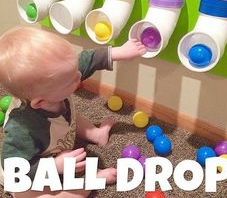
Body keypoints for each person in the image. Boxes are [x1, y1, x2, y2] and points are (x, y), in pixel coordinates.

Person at [0, 26, 146, 198]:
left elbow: (85, 60)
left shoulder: (61, 77)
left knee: (70, 118)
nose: (79, 77)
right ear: (40, 102)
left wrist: (118, 52)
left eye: (75, 71)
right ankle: (88, 181)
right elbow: (14, 169)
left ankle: (96, 134)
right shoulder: (23, 129)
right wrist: (55, 166)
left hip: (57, 136)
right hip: (26, 174)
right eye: (71, 80)